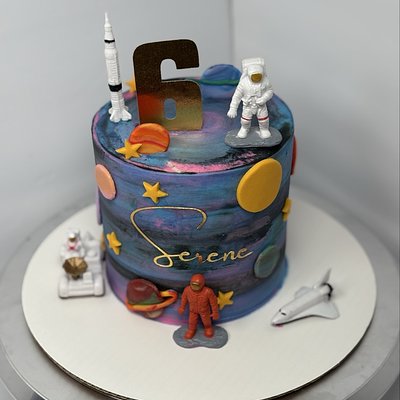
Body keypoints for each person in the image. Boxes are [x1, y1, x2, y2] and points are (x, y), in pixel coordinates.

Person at [227, 57, 273, 139]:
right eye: (254, 76)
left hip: (261, 106)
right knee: (245, 120)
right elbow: (237, 96)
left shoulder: (265, 81)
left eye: (258, 76)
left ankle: (264, 129)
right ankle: (244, 129)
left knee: (263, 120)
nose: (256, 78)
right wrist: (233, 108)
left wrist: (264, 98)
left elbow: (270, 91)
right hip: (248, 106)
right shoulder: (243, 83)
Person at [178, 274, 219, 339]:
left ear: (202, 284)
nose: (194, 287)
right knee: (192, 322)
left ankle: (208, 328)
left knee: (206, 321)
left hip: (204, 311)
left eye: (197, 285)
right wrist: (182, 307)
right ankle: (191, 330)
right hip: (193, 311)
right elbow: (184, 299)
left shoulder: (208, 291)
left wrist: (215, 312)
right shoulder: (187, 290)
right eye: (193, 284)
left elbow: (213, 303)